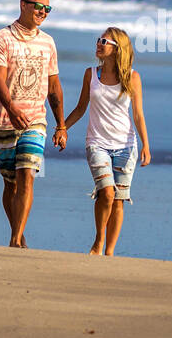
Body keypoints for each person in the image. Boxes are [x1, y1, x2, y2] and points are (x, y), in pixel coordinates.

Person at [0, 0, 67, 248]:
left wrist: (61, 125)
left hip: (36, 121)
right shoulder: (2, 38)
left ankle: (14, 238)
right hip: (3, 121)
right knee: (10, 183)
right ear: (23, 5)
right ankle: (19, 235)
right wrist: (11, 108)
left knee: (27, 175)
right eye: (38, 6)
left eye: (47, 9)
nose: (42, 12)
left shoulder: (48, 42)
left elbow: (54, 87)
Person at [63, 27, 151, 256]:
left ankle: (110, 252)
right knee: (107, 192)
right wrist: (62, 127)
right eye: (99, 40)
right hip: (97, 143)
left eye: (104, 41)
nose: (99, 44)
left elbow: (139, 115)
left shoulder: (132, 77)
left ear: (117, 49)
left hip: (126, 146)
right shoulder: (90, 74)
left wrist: (146, 146)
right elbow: (81, 108)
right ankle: (98, 242)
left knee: (119, 200)